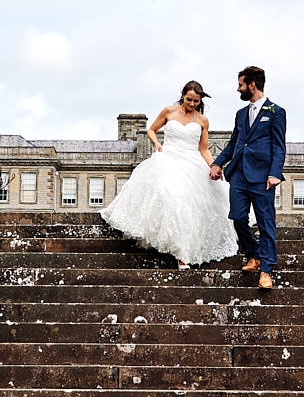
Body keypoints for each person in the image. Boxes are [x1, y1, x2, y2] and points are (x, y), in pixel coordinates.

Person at [101, 81, 238, 268]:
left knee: (192, 206)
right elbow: (151, 130)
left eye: (196, 101)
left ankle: (185, 254)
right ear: (183, 95)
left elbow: (204, 149)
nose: (192, 104)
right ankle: (177, 250)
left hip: (192, 163)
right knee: (173, 199)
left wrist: (214, 166)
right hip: (169, 159)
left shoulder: (202, 120)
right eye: (189, 99)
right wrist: (157, 144)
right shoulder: (168, 111)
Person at [209, 66, 285, 290]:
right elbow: (234, 143)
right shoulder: (241, 114)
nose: (238, 88)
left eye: (241, 84)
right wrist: (217, 163)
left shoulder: (276, 111)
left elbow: (279, 147)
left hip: (263, 177)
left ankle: (266, 271)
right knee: (238, 218)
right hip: (239, 174)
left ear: (252, 85)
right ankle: (254, 254)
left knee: (265, 223)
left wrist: (274, 173)